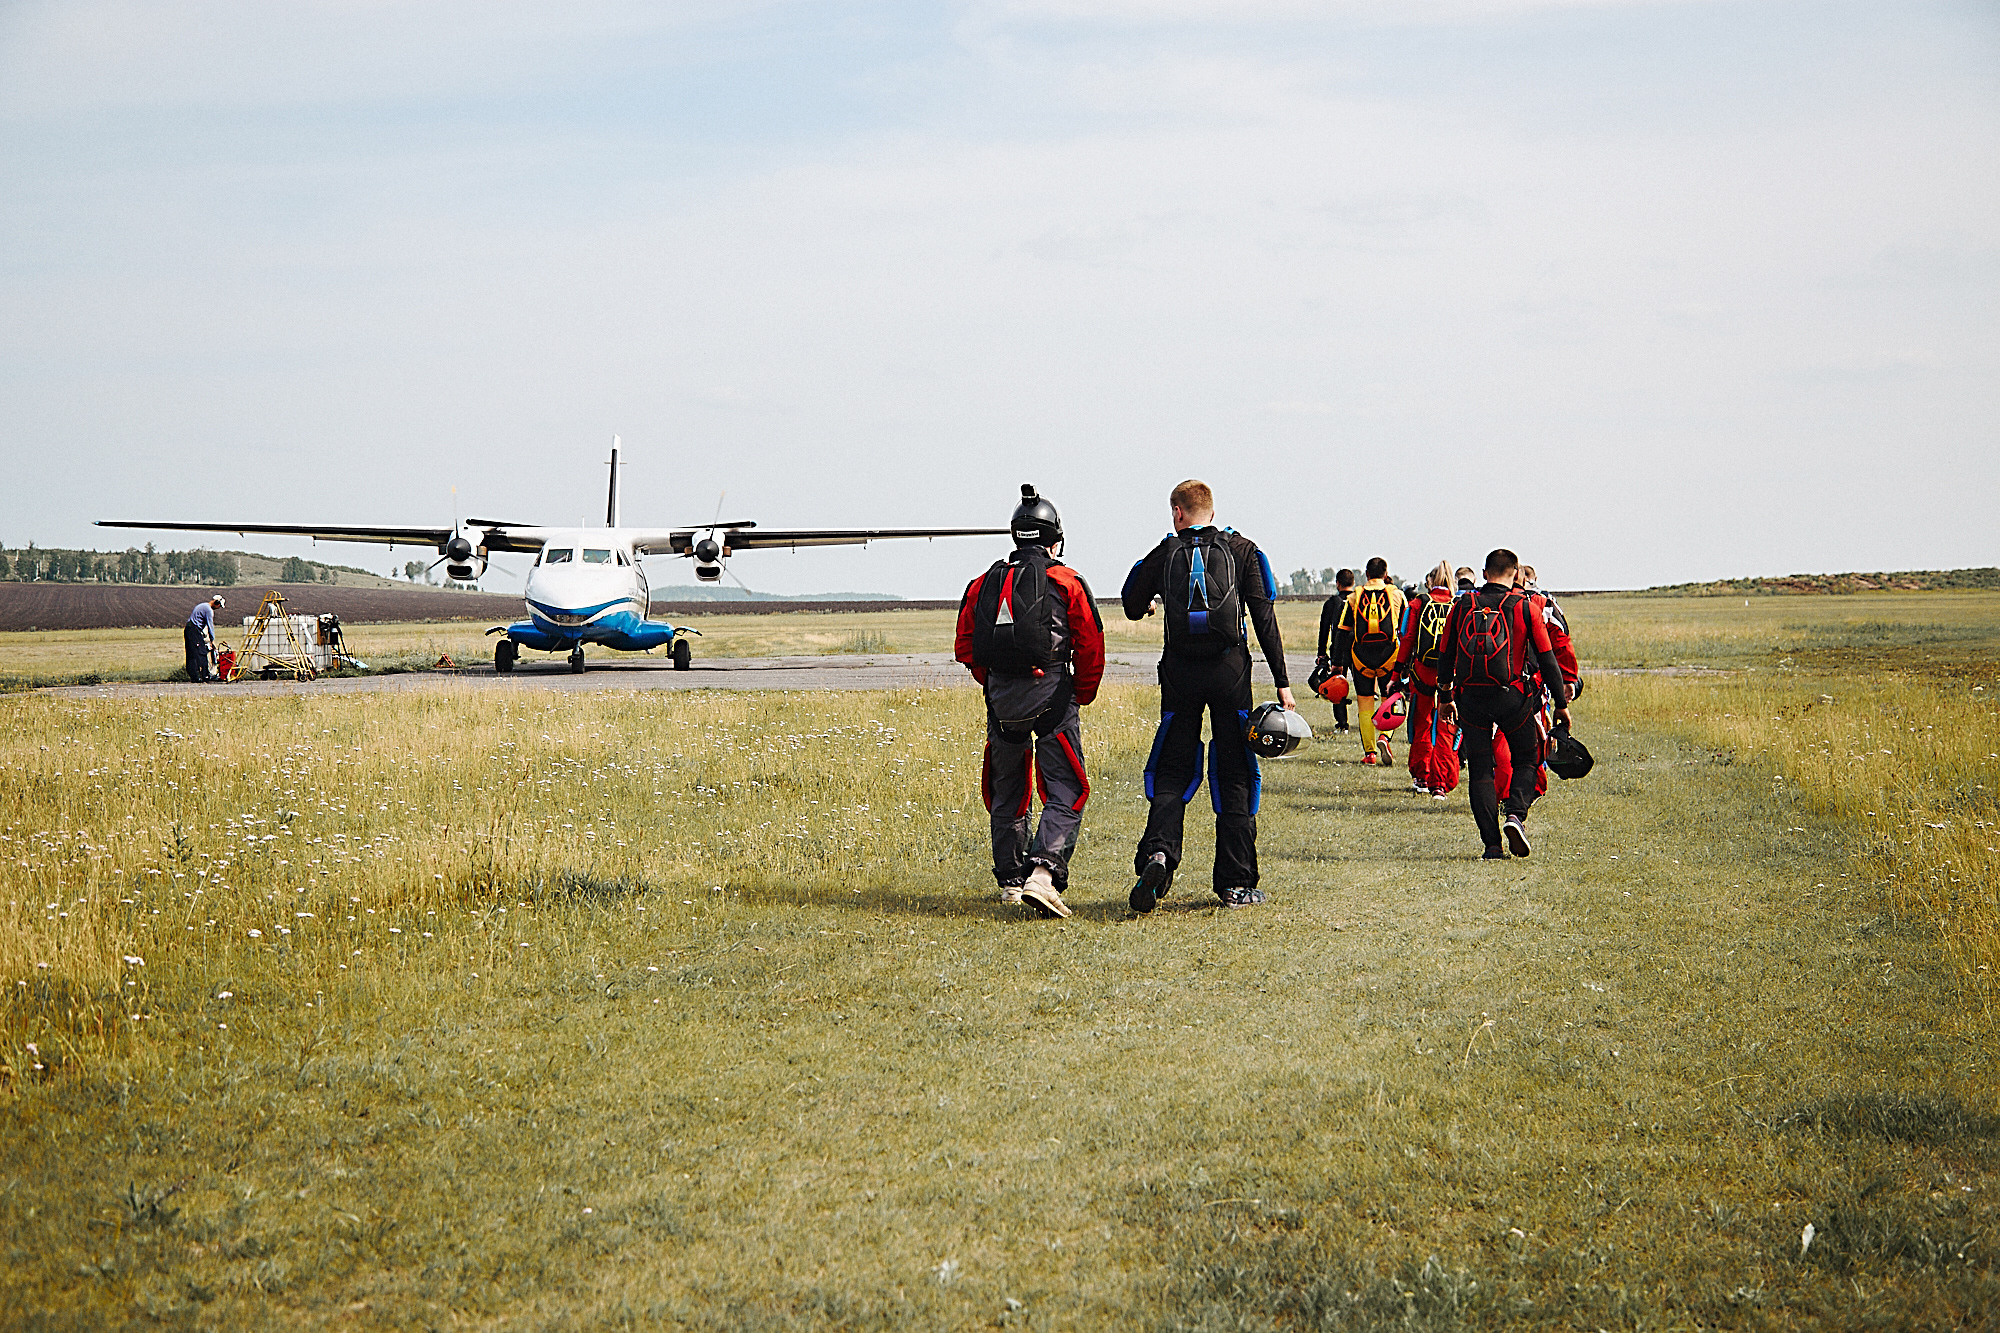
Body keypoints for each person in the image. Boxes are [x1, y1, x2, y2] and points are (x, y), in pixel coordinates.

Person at [1122, 479, 1295, 911]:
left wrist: (1147, 606)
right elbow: (1263, 618)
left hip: (1180, 674)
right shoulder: (1242, 551)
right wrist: (1282, 681)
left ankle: (1158, 855)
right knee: (1235, 771)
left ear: (1177, 513)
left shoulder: (1165, 553)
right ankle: (1236, 882)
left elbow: (1130, 602)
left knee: (1172, 770)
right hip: (1230, 673)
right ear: (1212, 513)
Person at [956, 485, 1105, 919]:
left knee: (1007, 790)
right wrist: (1081, 692)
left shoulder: (983, 583)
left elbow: (966, 646)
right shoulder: (1067, 582)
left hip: (1001, 701)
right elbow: (1091, 643)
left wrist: (995, 683)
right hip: (1055, 698)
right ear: (1054, 538)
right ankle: (1043, 874)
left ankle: (1009, 880)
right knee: (1066, 787)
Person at [1436, 549, 1571, 858]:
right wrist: (1560, 703)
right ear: (1515, 576)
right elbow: (1548, 660)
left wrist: (1445, 696)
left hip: (1469, 697)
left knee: (1481, 768)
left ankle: (1492, 845)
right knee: (1527, 758)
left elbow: (1446, 655)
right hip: (1513, 697)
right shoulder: (1525, 608)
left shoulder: (1462, 606)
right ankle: (1515, 815)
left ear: (1484, 573)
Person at [1493, 563, 1580, 801]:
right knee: (1534, 736)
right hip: (1533, 682)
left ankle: (1505, 791)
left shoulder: (1489, 601)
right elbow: (1561, 641)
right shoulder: (1542, 603)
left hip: (1494, 683)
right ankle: (1530, 787)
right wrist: (1569, 678)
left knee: (1501, 736)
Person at [1327, 556, 1407, 766]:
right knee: (1390, 699)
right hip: (1389, 657)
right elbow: (1407, 630)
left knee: (1365, 703)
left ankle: (1370, 753)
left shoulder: (1355, 596)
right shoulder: (1397, 595)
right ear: (1386, 573)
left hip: (1361, 658)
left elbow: (1342, 632)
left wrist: (1337, 663)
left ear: (1367, 574)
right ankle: (1385, 737)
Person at [1395, 561, 1458, 798]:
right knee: (1446, 726)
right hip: (1451, 676)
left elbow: (1407, 638)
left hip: (1422, 672)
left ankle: (1421, 775)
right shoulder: (1458, 605)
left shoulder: (1418, 603)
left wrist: (1397, 672)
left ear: (1429, 582)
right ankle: (1440, 782)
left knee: (1422, 723)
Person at [1314, 568, 1356, 732]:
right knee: (1363, 690)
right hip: (1357, 651)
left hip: (1338, 651)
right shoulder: (1358, 600)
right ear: (1353, 583)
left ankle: (1342, 724)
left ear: (1338, 584)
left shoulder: (1331, 603)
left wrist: (1321, 653)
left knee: (1337, 688)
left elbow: (1324, 630)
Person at [184, 595, 224, 683]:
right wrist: (212, 640)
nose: (218, 608)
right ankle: (205, 676)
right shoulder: (208, 610)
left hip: (189, 629)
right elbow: (210, 626)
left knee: (191, 654)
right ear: (216, 603)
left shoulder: (202, 605)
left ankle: (194, 677)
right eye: (219, 606)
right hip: (194, 630)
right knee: (201, 652)